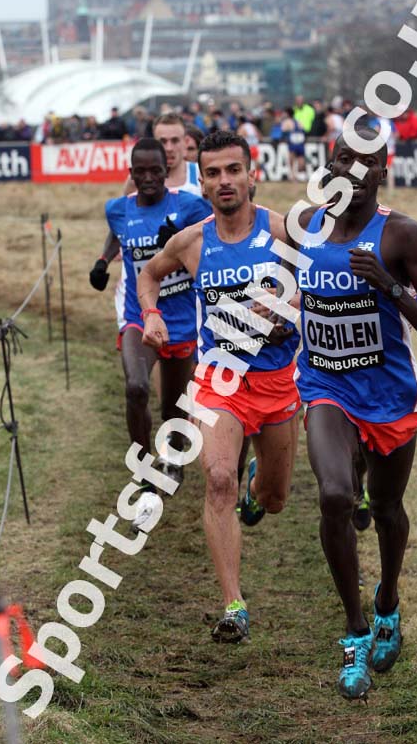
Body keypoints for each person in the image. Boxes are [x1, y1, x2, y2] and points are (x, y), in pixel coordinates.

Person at [290, 128, 417, 700]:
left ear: (383, 171)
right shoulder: (305, 226)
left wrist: (390, 287)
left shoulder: (403, 234)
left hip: (387, 393)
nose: (354, 170)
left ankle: (388, 601)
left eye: (368, 163)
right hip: (324, 385)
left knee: (385, 507)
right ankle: (356, 630)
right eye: (344, 159)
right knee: (336, 496)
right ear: (329, 163)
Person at [138, 131, 301, 643]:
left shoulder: (283, 232)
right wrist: (151, 313)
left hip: (275, 382)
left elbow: (314, 291)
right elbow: (149, 274)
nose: (224, 181)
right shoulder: (192, 242)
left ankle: (259, 486)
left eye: (234, 170)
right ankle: (233, 606)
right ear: (201, 180)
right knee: (217, 481)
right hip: (218, 382)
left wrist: (284, 317)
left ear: (252, 174)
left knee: (273, 499)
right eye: (213, 173)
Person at [89, 138, 212, 515]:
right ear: (131, 173)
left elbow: (214, 229)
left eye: (154, 171)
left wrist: (177, 243)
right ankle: (142, 468)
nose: (147, 178)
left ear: (166, 171)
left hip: (181, 320)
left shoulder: (187, 205)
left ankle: (172, 461)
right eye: (139, 171)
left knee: (174, 406)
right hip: (138, 315)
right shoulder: (117, 209)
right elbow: (118, 233)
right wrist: (102, 260)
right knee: (136, 386)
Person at [281, 107, 307, 181]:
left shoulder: (286, 122)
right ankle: (302, 175)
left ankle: (293, 176)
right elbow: (303, 130)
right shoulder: (298, 121)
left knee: (291, 158)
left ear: (287, 114)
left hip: (292, 141)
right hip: (300, 141)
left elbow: (283, 131)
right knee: (301, 158)